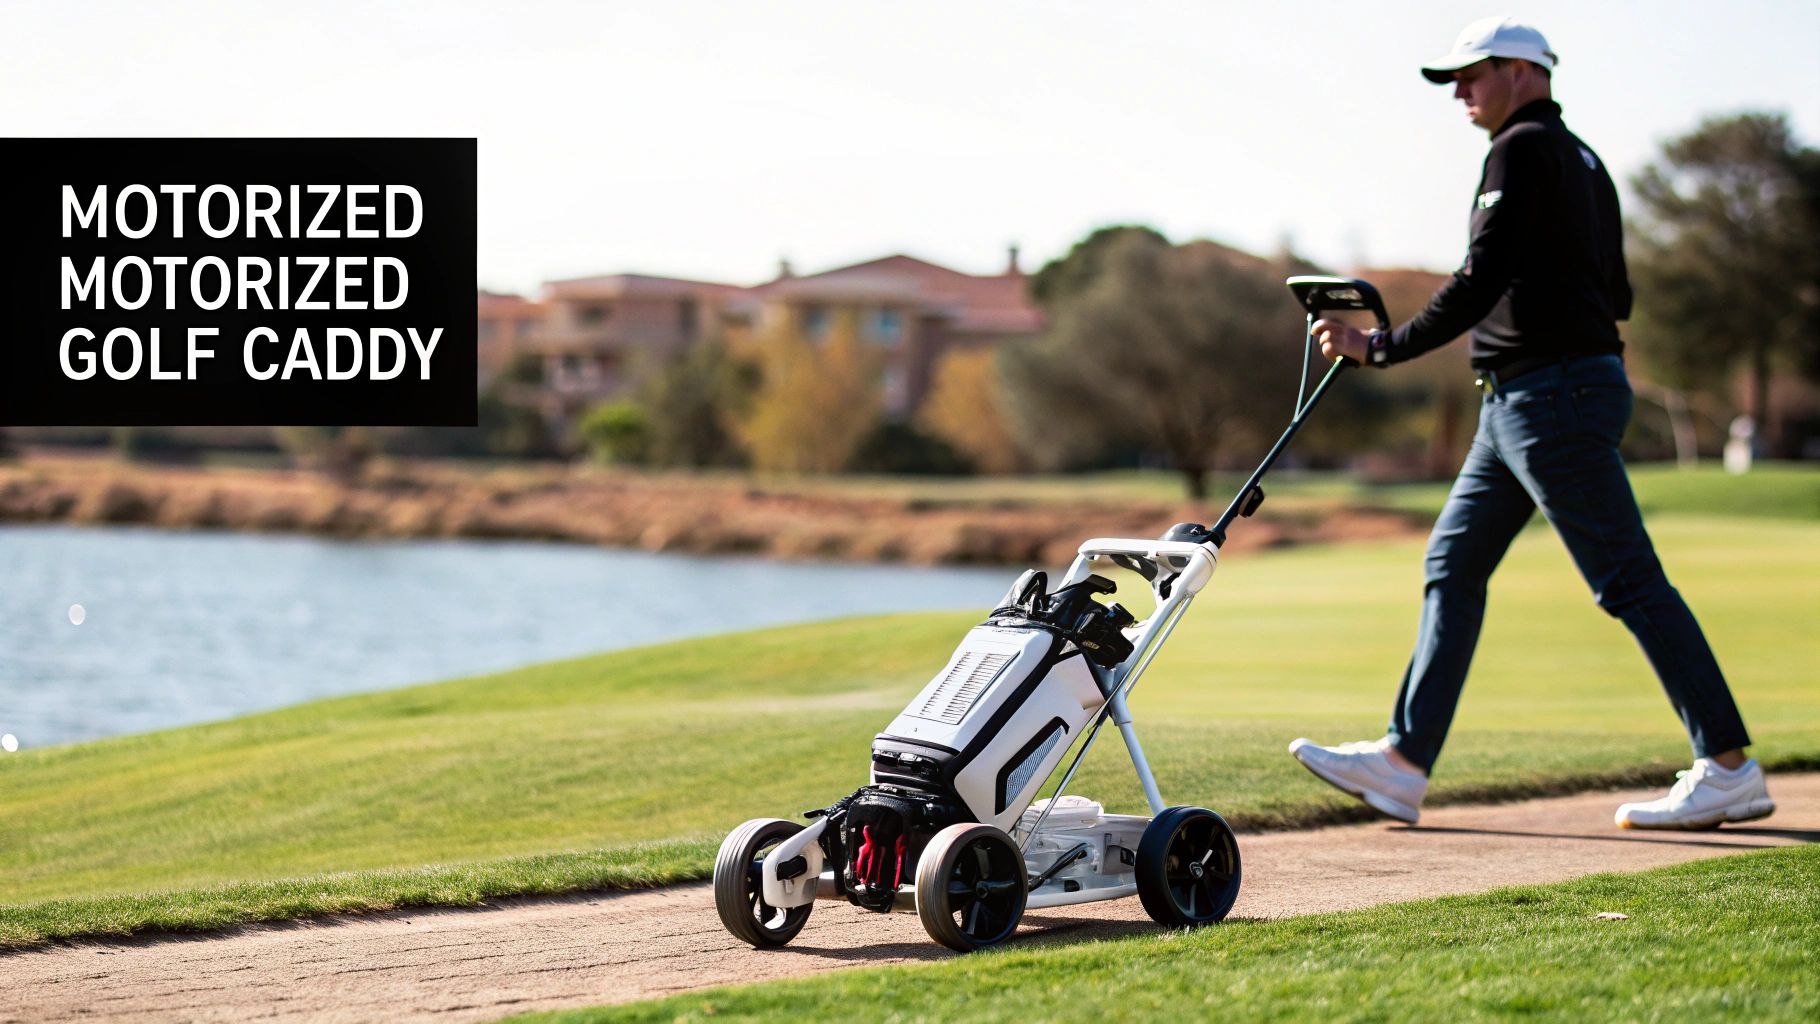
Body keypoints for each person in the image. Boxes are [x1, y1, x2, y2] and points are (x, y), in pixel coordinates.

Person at [1287, 16, 1773, 830]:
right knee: (1453, 563)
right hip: (1525, 399)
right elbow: (1615, 294)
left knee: (1627, 581)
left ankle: (1727, 765)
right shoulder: (1587, 161)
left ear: (1521, 71)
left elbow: (1478, 279)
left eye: (1471, 76)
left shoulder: (1518, 150)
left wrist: (1381, 347)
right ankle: (1406, 762)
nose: (1461, 94)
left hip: (1550, 397)